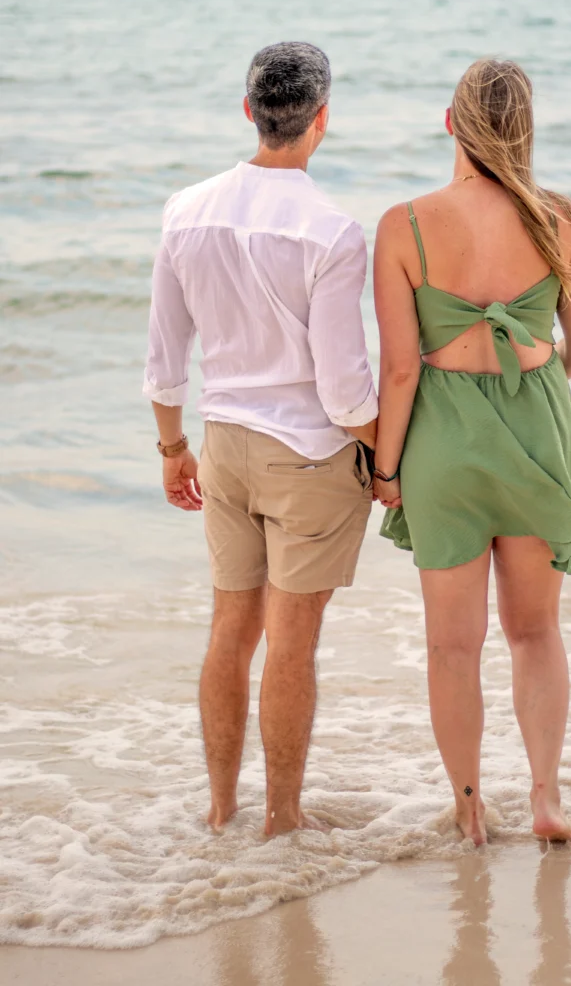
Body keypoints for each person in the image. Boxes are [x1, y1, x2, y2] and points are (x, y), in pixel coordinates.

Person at [143, 42, 378, 836]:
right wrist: (390, 451)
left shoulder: (186, 209)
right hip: (308, 458)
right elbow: (344, 391)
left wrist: (172, 448)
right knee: (291, 645)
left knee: (229, 632)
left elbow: (164, 353)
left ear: (249, 110)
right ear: (322, 119)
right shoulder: (333, 232)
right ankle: (281, 819)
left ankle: (219, 811)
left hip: (225, 448)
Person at [373, 58, 571, 845]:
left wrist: (386, 468)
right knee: (535, 631)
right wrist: (530, 391)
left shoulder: (403, 224)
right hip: (539, 431)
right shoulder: (561, 219)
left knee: (451, 645)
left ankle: (470, 811)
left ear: (450, 123)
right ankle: (546, 801)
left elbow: (400, 371)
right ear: (527, 126)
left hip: (442, 440)